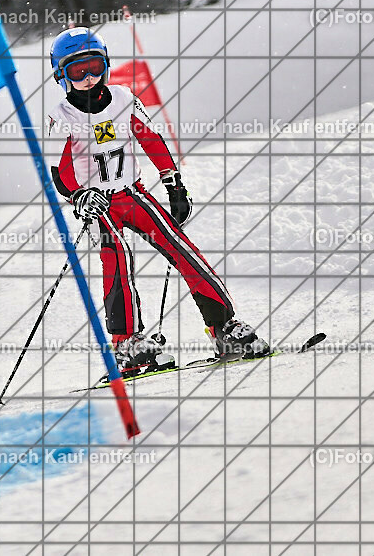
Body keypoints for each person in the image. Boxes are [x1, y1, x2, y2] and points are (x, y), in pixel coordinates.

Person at [46, 27, 271, 376]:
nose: (88, 77)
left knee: (182, 248)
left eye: (95, 66)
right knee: (118, 258)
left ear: (106, 65)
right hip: (99, 204)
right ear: (62, 75)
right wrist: (79, 195)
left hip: (132, 193)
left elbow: (150, 139)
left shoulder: (123, 99)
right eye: (78, 71)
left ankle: (223, 326)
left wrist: (173, 184)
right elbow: (61, 169)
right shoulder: (63, 116)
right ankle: (127, 343)